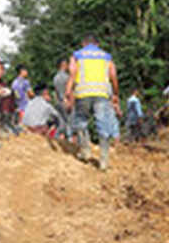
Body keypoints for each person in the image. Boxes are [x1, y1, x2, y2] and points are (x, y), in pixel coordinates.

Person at [65, 35, 121, 171]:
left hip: (82, 92)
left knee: (81, 121)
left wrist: (68, 91)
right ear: (98, 44)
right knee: (103, 125)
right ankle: (104, 161)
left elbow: (73, 73)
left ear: (83, 43)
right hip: (102, 93)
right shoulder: (106, 56)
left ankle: (86, 152)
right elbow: (113, 75)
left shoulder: (77, 55)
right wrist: (115, 94)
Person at [52, 58, 71, 137]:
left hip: (58, 102)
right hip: (65, 102)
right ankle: (70, 141)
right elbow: (68, 91)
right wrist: (67, 101)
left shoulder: (55, 77)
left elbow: (56, 92)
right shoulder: (67, 77)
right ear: (63, 65)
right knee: (70, 123)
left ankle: (56, 138)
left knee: (61, 124)